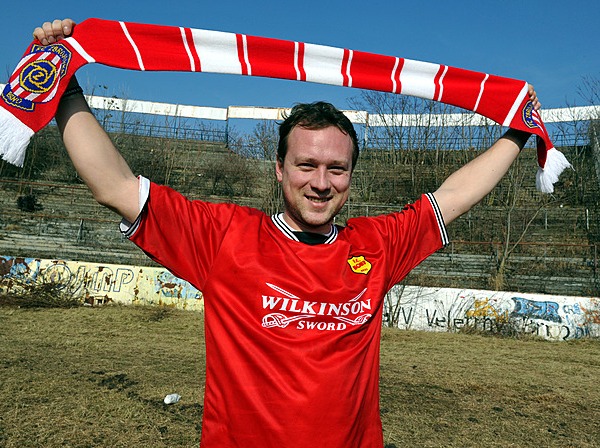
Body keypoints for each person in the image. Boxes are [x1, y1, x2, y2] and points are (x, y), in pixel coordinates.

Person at [34, 19, 541, 448]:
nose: (321, 183)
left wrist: (519, 130)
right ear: (279, 168)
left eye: (336, 169)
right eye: (306, 165)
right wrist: (63, 87)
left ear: (351, 175)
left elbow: (454, 197)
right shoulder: (224, 236)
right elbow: (116, 186)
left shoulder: (376, 244)